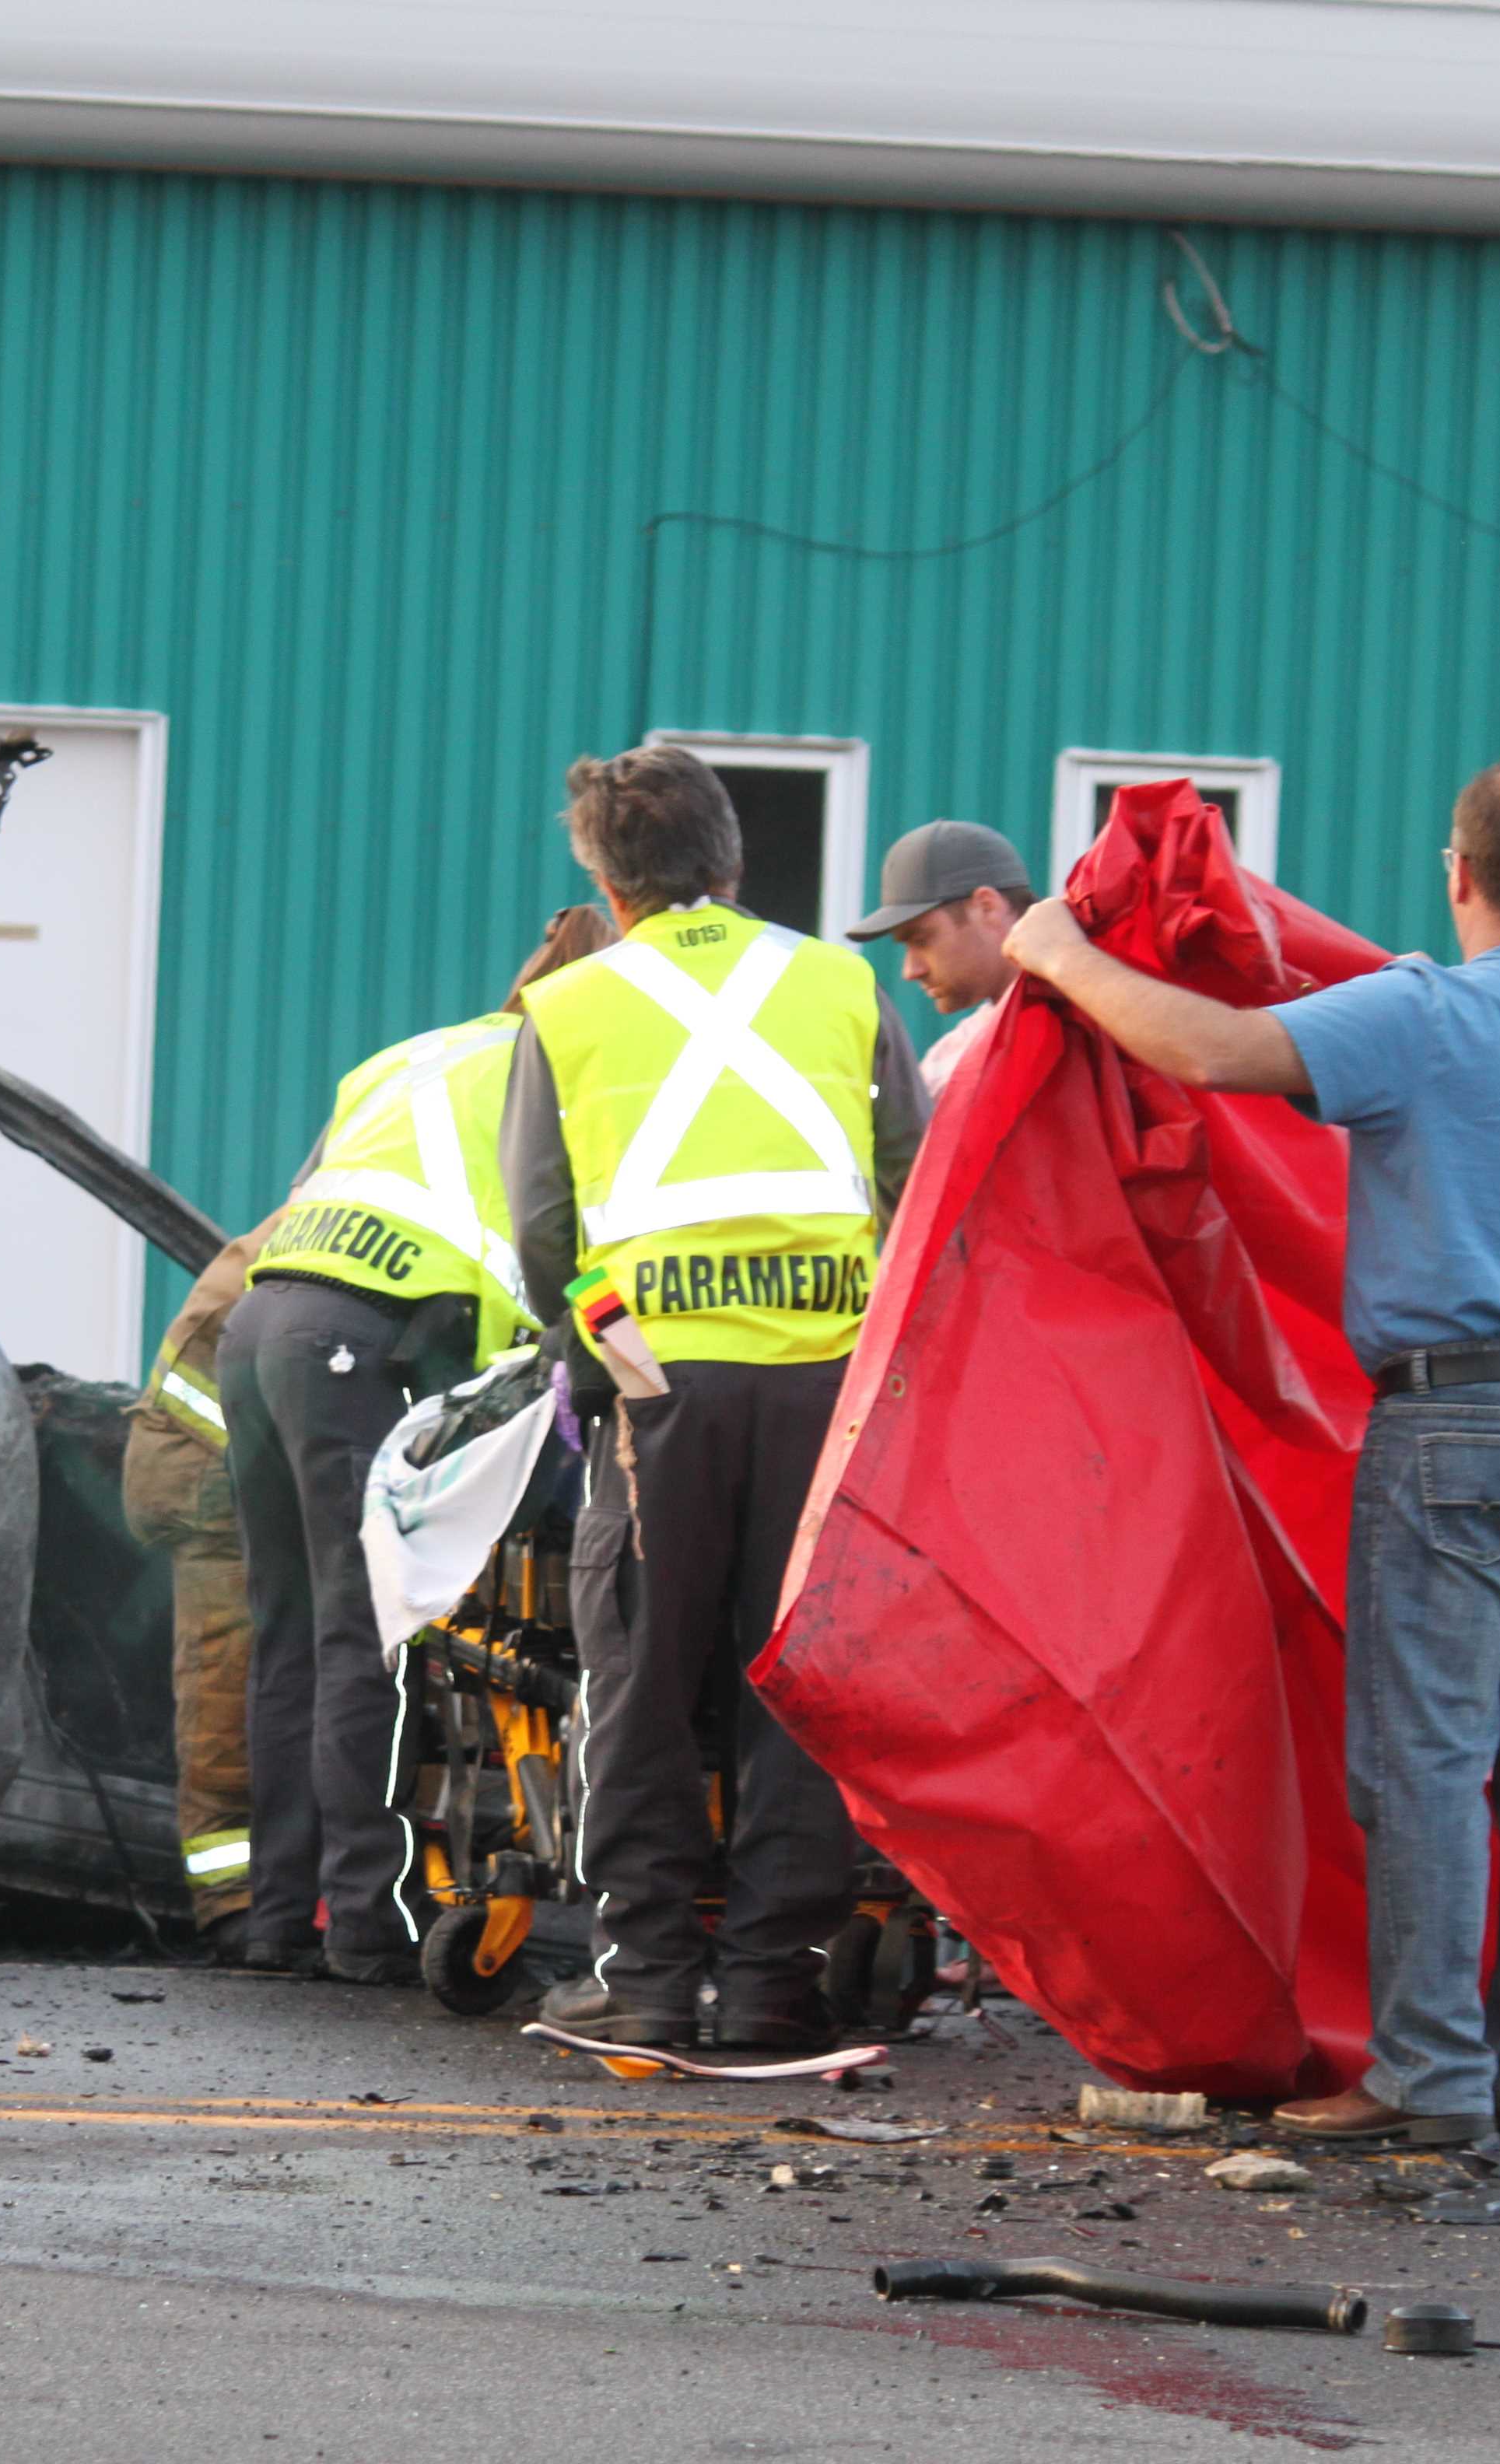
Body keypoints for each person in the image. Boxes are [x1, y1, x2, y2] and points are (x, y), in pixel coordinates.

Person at [1004, 754, 1500, 2171]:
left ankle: (1429, 2075)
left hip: (1462, 1418)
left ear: (1456, 871)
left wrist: (1057, 952)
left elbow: (1205, 1050)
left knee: (1428, 1755)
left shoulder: (1425, 1015)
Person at [506, 746, 927, 2050]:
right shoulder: (840, 982)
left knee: (637, 1679)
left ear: (604, 881)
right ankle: (772, 1989)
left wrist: (608, 1368)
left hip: (659, 1395)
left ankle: (640, 1985)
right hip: (821, 1389)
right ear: (734, 859)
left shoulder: (568, 1006)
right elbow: (913, 1181)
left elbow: (539, 1227)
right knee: (792, 1689)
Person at [222, 924, 570, 1984]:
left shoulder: (409, 1054)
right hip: (350, 1339)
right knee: (363, 1629)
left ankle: (279, 1918)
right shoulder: (550, 1067)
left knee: (289, 1633)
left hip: (263, 1321)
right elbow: (545, 1247)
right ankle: (368, 1928)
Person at [123, 1211, 280, 1964]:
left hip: (232, 1456)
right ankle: (232, 1903)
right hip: (205, 1474)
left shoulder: (321, 1213)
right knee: (227, 1680)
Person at [844, 817, 1037, 1100]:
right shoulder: (951, 1057)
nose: (911, 971)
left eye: (922, 940)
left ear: (987, 907)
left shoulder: (1088, 1019)